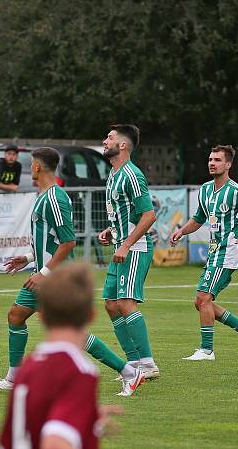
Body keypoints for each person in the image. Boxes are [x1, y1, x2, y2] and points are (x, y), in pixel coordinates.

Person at [0, 147, 144, 397]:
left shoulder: (55, 198)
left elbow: (68, 242)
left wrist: (44, 273)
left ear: (37, 167)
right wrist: (26, 259)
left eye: (32, 164)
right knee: (16, 316)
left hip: (53, 279)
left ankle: (129, 372)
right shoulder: (44, 195)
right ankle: (14, 377)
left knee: (73, 333)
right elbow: (49, 241)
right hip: (42, 275)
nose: (30, 168)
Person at [0, 263, 123, 449]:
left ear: (41, 316)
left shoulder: (28, 365)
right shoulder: (79, 372)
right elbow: (55, 442)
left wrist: (85, 415)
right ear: (91, 316)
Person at [170, 145, 238, 361]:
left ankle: (207, 350)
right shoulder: (205, 190)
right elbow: (198, 219)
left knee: (203, 298)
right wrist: (181, 232)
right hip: (214, 252)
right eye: (210, 159)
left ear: (228, 164)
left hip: (228, 251)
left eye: (217, 160)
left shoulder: (236, 191)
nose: (212, 163)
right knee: (201, 302)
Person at [98, 124, 159, 379]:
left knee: (125, 303)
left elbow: (149, 215)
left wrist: (125, 244)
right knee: (111, 305)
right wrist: (111, 231)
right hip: (120, 246)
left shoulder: (132, 174)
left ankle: (148, 364)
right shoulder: (114, 174)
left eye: (110, 138)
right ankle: (133, 362)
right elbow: (129, 215)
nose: (104, 141)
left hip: (134, 248)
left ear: (122, 145)